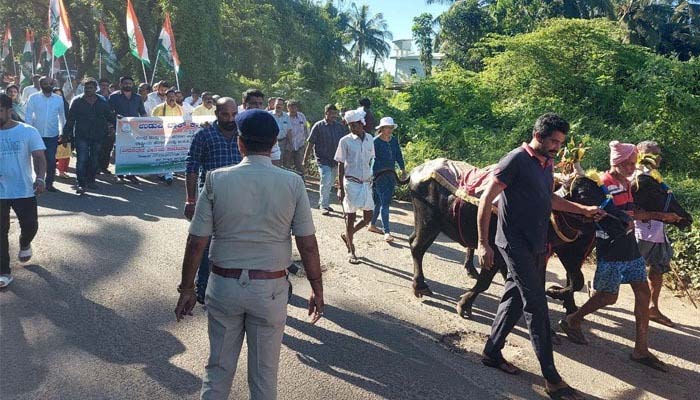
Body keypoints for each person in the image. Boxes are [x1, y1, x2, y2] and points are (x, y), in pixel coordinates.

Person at [174, 109, 324, 400]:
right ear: (273, 145)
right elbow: (307, 244)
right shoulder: (292, 183)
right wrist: (317, 289)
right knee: (264, 377)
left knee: (217, 371)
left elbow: (196, 241)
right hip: (269, 289)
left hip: (224, 286)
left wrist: (187, 288)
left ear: (239, 143)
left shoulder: (217, 180)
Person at [476, 114, 605, 400]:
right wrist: (483, 244)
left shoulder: (547, 164)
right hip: (512, 243)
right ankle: (551, 377)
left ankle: (491, 351)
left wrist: (582, 210)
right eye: (553, 141)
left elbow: (550, 200)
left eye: (560, 143)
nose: (557, 147)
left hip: (536, 243)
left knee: (514, 297)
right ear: (538, 134)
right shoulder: (514, 161)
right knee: (536, 305)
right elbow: (486, 200)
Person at [559, 141, 682, 372]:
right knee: (608, 297)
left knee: (643, 291)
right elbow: (613, 215)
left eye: (632, 162)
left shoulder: (627, 183)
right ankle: (572, 320)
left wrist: (658, 215)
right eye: (625, 163)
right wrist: (653, 215)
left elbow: (631, 213)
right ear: (615, 162)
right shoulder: (602, 184)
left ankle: (641, 349)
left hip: (630, 248)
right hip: (612, 249)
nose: (630, 166)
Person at [184, 97, 243, 304]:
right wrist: (190, 200)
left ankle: (232, 288)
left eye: (234, 114)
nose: (230, 118)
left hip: (238, 200)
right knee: (204, 243)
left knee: (234, 243)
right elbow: (191, 167)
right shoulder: (204, 135)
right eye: (225, 114)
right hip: (209, 198)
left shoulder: (242, 135)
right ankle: (202, 287)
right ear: (216, 113)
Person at [0, 93, 47, 288]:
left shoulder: (28, 131)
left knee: (30, 225)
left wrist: (41, 178)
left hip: (23, 189)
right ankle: (3, 271)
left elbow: (39, 157)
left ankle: (25, 242)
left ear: (9, 111)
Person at [635, 141, 676, 327]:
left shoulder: (655, 177)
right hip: (638, 232)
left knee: (658, 269)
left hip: (658, 231)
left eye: (658, 153)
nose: (657, 157)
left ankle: (653, 307)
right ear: (640, 155)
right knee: (623, 271)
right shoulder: (634, 176)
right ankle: (592, 301)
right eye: (652, 153)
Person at [334, 108, 375, 264]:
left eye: (355, 125)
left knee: (368, 217)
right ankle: (352, 251)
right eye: (350, 125)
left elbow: (371, 160)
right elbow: (340, 164)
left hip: (366, 183)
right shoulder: (345, 141)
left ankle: (348, 235)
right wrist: (340, 188)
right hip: (351, 183)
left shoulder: (370, 138)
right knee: (350, 217)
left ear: (361, 124)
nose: (352, 128)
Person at [62, 78, 113, 194]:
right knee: (82, 159)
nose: (88, 90)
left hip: (98, 135)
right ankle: (81, 183)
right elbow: (70, 120)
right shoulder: (77, 101)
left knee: (94, 160)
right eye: (86, 88)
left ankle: (91, 180)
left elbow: (110, 117)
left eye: (91, 88)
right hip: (81, 135)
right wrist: (65, 135)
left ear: (96, 89)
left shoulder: (102, 102)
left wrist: (116, 125)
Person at [24, 76, 66, 192]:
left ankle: (49, 183)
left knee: (51, 160)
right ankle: (39, 180)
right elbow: (28, 115)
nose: (48, 86)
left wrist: (63, 132)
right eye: (45, 84)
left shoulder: (58, 99)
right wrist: (28, 131)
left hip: (52, 135)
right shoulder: (33, 98)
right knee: (37, 159)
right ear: (41, 85)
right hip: (36, 134)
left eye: (50, 84)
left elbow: (62, 116)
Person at [367, 117, 405, 242]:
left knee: (379, 202)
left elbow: (398, 154)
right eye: (387, 128)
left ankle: (372, 225)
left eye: (390, 128)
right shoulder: (375, 142)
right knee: (385, 202)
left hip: (390, 174)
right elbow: (368, 158)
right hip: (378, 175)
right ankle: (387, 231)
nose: (389, 130)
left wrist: (403, 169)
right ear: (382, 129)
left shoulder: (393, 141)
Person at [304, 104, 346, 215]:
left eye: (335, 113)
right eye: (331, 113)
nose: (333, 115)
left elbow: (344, 143)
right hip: (322, 159)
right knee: (326, 180)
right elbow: (310, 143)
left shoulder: (339, 127)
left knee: (331, 182)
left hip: (335, 160)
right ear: (326, 113)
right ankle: (323, 205)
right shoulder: (318, 126)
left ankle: (325, 203)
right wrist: (305, 159)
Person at [109, 76, 147, 183]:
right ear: (120, 84)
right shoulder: (114, 97)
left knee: (133, 151)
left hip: (134, 129)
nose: (128, 85)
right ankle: (119, 174)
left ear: (133, 85)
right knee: (120, 151)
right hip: (119, 127)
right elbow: (108, 112)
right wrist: (115, 117)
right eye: (125, 83)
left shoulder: (137, 97)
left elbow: (142, 112)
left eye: (130, 84)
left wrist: (147, 122)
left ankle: (131, 174)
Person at [241, 89, 283, 166]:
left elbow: (275, 157)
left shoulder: (267, 126)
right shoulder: (237, 123)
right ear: (244, 105)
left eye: (260, 104)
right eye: (254, 103)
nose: (258, 107)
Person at [152, 88, 183, 185]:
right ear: (165, 97)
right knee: (162, 154)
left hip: (175, 135)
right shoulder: (159, 108)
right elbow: (153, 122)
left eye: (173, 96)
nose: (171, 98)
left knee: (171, 153)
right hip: (162, 134)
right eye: (169, 97)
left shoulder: (179, 108)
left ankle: (168, 175)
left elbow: (182, 121)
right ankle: (162, 174)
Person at [284, 99, 308, 176]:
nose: (293, 109)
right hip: (287, 145)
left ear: (297, 108)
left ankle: (302, 181)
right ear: (288, 108)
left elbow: (305, 128)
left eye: (294, 107)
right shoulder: (285, 117)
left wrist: (307, 140)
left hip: (300, 144)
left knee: (299, 164)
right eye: (291, 107)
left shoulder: (301, 116)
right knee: (286, 165)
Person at [270, 98, 291, 167]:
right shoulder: (269, 115)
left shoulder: (286, 116)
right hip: (271, 142)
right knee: (270, 160)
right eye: (277, 104)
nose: (279, 106)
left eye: (281, 105)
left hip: (282, 142)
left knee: (280, 162)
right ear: (274, 105)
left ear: (283, 106)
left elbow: (289, 131)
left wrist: (289, 143)